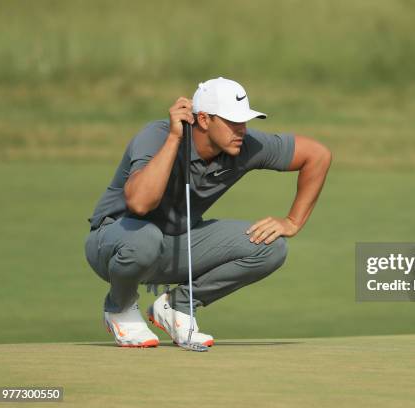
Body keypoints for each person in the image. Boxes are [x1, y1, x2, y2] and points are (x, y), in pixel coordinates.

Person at [84, 77, 332, 348]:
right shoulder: (157, 135)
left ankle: (177, 306)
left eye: (244, 121)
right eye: (232, 121)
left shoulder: (243, 145)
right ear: (203, 120)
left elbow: (317, 155)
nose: (242, 130)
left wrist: (292, 221)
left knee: (270, 247)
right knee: (146, 239)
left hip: (174, 245)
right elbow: (140, 204)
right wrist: (175, 139)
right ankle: (119, 307)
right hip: (114, 241)